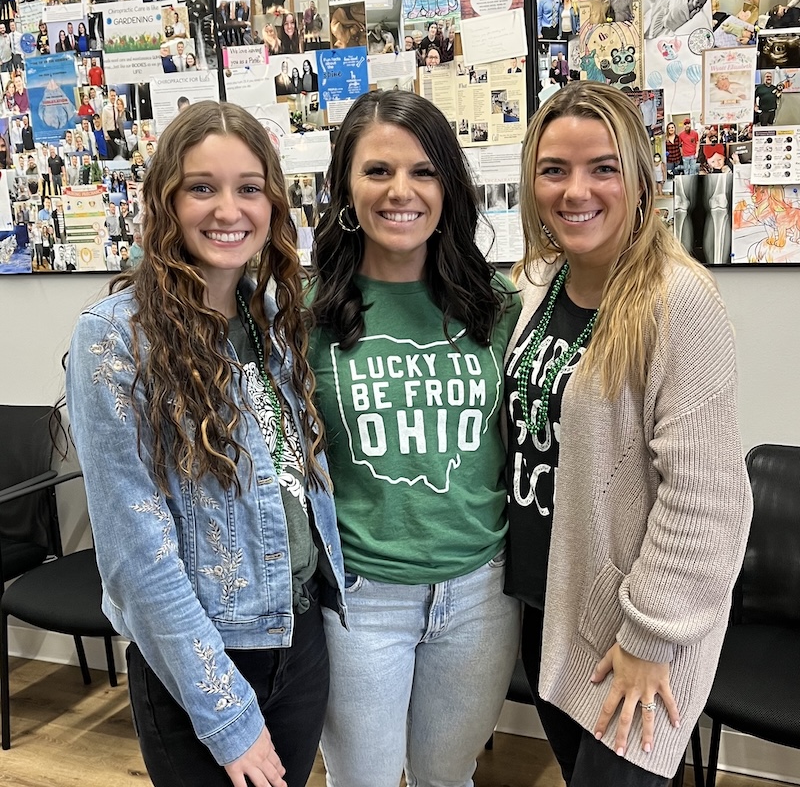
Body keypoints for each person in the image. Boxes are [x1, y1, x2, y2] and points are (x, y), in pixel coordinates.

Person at [65, 100, 346, 787]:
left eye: (249, 188)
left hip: (299, 633)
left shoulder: (276, 314)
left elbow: (295, 475)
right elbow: (136, 555)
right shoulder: (115, 338)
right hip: (204, 653)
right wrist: (227, 716)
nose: (229, 209)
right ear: (167, 200)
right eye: (202, 187)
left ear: (273, 202)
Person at [505, 80, 752, 787]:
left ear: (640, 178)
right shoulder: (542, 284)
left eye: (602, 167)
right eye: (554, 169)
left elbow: (708, 500)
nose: (575, 190)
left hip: (633, 637)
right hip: (549, 611)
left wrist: (651, 637)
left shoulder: (676, 300)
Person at [309, 89, 521, 787]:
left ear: (449, 188)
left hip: (479, 595)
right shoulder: (305, 318)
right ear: (345, 185)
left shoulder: (501, 307)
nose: (401, 191)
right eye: (377, 171)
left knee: (446, 780)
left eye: (424, 172)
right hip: (362, 599)